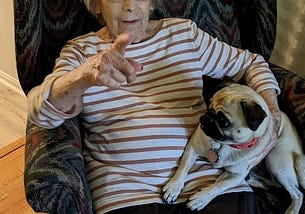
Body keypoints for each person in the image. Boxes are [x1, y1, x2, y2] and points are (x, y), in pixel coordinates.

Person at [27, 0, 282, 213]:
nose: (129, 6)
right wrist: (82, 76)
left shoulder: (185, 34)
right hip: (126, 193)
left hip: (209, 181)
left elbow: (251, 64)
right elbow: (41, 114)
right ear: (96, 5)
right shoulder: (80, 50)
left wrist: (273, 117)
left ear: (151, 4)